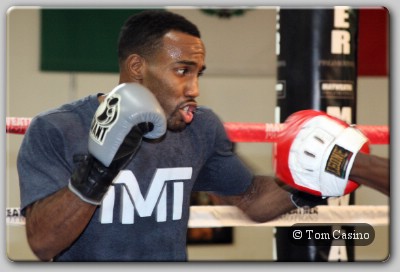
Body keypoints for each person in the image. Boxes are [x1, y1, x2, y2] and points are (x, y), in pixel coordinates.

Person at [17, 10, 389, 262]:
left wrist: (315, 178)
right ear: (136, 67)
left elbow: (252, 199)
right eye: (182, 70)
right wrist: (98, 169)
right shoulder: (57, 128)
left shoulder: (199, 127)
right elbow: (41, 242)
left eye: (199, 73)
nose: (194, 87)